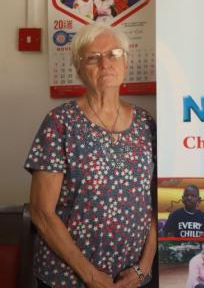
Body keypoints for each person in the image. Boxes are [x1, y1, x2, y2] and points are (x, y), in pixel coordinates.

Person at [25, 23, 157, 287]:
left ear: (126, 63)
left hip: (132, 278)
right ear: (78, 69)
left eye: (114, 54)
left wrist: (144, 267)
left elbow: (154, 202)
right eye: (93, 58)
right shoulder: (60, 123)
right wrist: (90, 275)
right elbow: (42, 212)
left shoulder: (145, 123)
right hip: (69, 278)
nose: (105, 63)